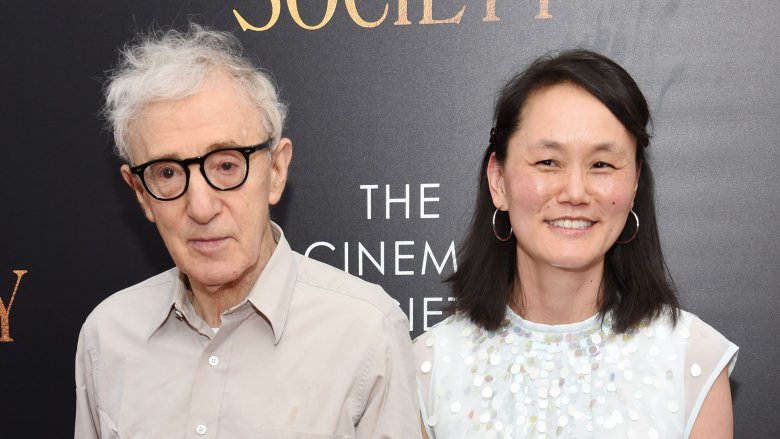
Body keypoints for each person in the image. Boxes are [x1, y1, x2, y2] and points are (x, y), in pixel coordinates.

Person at [75, 24, 421, 438]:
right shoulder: (108, 336)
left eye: (226, 165)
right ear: (141, 194)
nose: (201, 207)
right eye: (167, 172)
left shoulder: (367, 331)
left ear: (276, 171)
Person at [413, 50, 738, 439]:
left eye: (602, 165)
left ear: (634, 184)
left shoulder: (692, 361)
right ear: (498, 181)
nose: (575, 192)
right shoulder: (426, 368)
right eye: (548, 162)